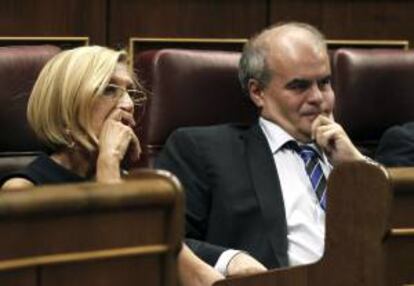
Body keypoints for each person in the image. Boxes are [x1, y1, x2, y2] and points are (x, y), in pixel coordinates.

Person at [155, 22, 368, 277]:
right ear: (258, 92)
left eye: (324, 83)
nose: (318, 98)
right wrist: (230, 260)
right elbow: (162, 238)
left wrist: (359, 168)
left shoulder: (352, 157)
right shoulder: (204, 150)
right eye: (299, 86)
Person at [0, 45, 223, 286]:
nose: (128, 104)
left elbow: (196, 275)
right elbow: (110, 271)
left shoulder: (137, 186)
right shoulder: (21, 193)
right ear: (67, 106)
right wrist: (108, 164)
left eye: (130, 92)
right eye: (109, 89)